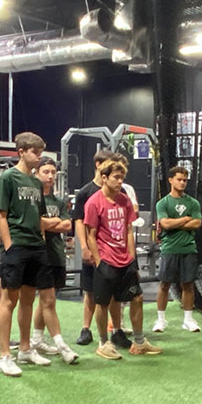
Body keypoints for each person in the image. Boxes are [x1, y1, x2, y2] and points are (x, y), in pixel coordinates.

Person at [83, 159, 160, 359]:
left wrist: (132, 258)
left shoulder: (124, 200)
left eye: (122, 178)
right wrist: (99, 261)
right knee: (103, 303)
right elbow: (90, 235)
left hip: (125, 260)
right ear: (104, 177)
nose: (120, 181)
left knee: (137, 298)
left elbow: (128, 231)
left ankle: (139, 342)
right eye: (116, 177)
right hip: (106, 259)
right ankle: (103, 343)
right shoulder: (93, 202)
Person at [0, 132, 53, 377]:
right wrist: (9, 246)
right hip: (16, 245)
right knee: (9, 300)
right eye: (34, 152)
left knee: (29, 299)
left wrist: (41, 239)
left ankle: (25, 349)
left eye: (40, 152)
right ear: (21, 152)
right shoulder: (8, 178)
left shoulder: (36, 183)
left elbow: (39, 216)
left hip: (35, 245)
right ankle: (4, 355)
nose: (39, 156)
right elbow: (0, 214)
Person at [72, 149, 127, 349]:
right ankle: (86, 329)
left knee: (114, 293)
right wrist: (84, 247)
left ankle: (117, 331)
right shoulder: (86, 192)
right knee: (90, 291)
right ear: (99, 165)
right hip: (94, 249)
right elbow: (79, 221)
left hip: (114, 252)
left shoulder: (120, 191)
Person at [29, 157, 79, 364]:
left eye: (53, 172)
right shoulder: (32, 199)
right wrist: (54, 222)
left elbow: (67, 226)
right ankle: (61, 345)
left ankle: (36, 339)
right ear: (37, 173)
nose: (50, 176)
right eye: (46, 172)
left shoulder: (58, 201)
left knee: (47, 300)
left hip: (57, 255)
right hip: (38, 255)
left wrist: (47, 223)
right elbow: (34, 223)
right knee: (48, 300)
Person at [153, 165, 202, 334]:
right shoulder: (163, 203)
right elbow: (165, 223)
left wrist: (175, 223)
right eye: (179, 179)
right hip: (169, 249)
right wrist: (185, 219)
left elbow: (197, 223)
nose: (182, 183)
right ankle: (161, 320)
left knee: (188, 285)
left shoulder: (193, 203)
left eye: (185, 180)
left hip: (189, 249)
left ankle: (188, 320)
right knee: (164, 284)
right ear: (171, 180)